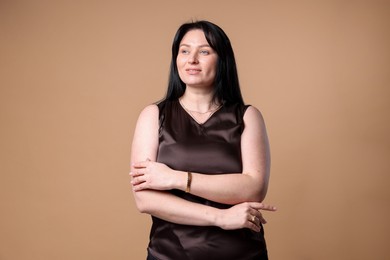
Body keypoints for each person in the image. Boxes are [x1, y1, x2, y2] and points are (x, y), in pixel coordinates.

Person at [130, 20, 276, 260]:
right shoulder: (153, 116)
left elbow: (254, 187)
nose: (192, 59)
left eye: (204, 51)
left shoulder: (248, 116)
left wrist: (174, 178)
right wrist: (221, 217)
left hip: (242, 254)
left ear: (223, 59)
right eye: (184, 51)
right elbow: (145, 199)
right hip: (170, 254)